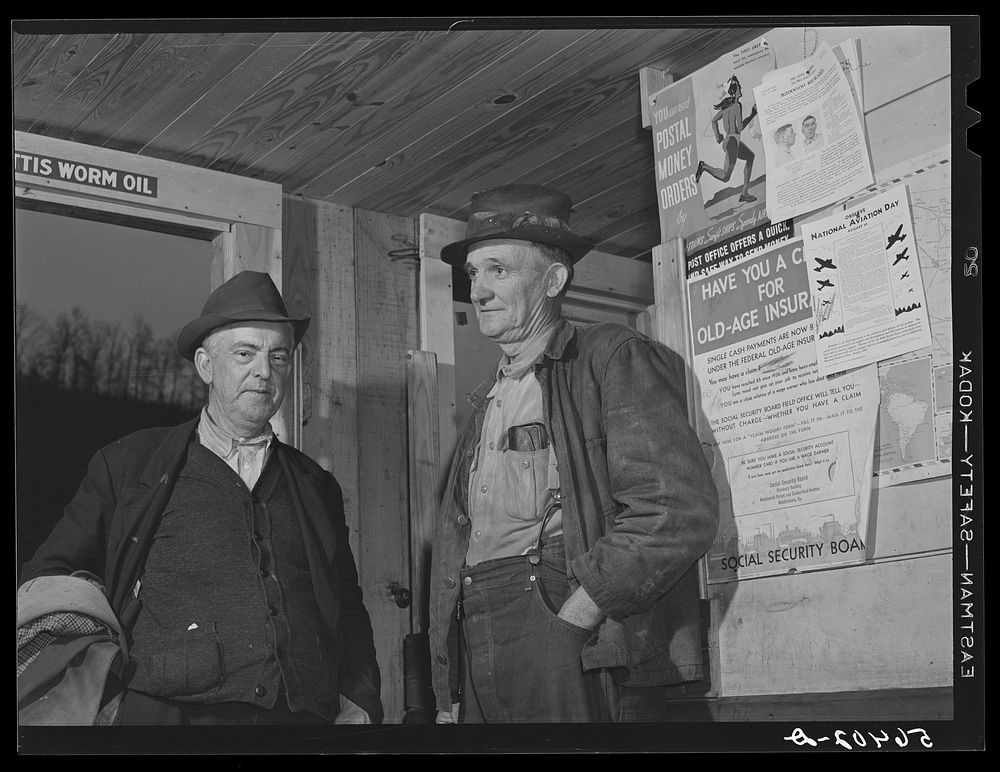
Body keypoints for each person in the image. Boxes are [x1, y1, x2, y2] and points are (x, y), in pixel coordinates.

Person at [18, 271, 383, 726]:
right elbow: (51, 580)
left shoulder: (315, 485)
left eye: (278, 356)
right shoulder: (132, 466)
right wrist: (101, 690)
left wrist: (360, 697)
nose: (263, 371)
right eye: (244, 353)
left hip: (300, 723)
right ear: (206, 365)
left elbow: (347, 605)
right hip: (167, 721)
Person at [428, 185, 719, 723]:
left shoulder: (610, 358)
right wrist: (451, 681)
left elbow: (676, 512)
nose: (479, 291)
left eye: (499, 270)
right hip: (483, 628)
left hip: (560, 619)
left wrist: (576, 616)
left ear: (553, 280)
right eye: (473, 273)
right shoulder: (485, 404)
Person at [695, 75, 759, 203]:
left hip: (729, 142)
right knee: (725, 177)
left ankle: (744, 193)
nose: (740, 89)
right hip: (732, 143)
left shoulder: (725, 107)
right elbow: (740, 128)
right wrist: (753, 114)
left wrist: (718, 136)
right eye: (739, 87)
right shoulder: (736, 105)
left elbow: (714, 121)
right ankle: (704, 167)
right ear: (735, 91)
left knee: (750, 156)